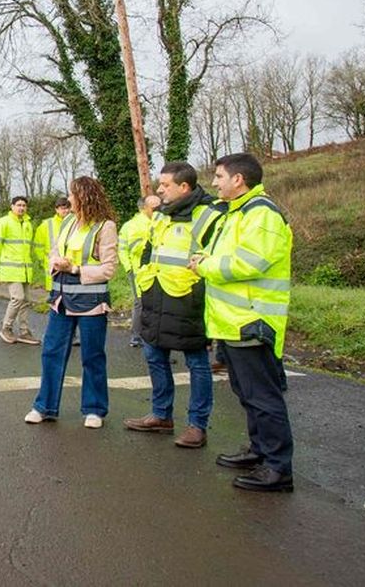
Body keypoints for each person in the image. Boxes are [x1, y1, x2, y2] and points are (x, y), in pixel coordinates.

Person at [190, 153, 295, 492]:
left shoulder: (261, 214)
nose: (215, 182)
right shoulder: (236, 213)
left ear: (238, 179)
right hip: (233, 323)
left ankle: (278, 468)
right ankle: (260, 450)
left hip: (253, 322)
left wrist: (204, 264)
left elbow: (248, 264)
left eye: (219, 176)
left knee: (263, 397)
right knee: (246, 394)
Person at [123, 162, 225, 448]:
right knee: (154, 356)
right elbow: (149, 252)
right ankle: (160, 415)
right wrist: (144, 281)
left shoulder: (209, 216)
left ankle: (197, 426)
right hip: (156, 296)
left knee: (197, 363)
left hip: (189, 299)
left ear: (184, 187)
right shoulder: (161, 216)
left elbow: (214, 260)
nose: (159, 190)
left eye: (165, 185)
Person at [25, 176, 118, 429]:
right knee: (52, 352)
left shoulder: (105, 226)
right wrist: (55, 261)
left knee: (92, 356)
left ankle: (94, 409)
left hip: (91, 301)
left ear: (85, 197)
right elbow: (54, 250)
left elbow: (109, 269)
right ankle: (44, 406)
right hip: (62, 299)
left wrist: (75, 268)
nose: (69, 200)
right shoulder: (67, 222)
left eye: (73, 195)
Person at [0, 196, 38, 345]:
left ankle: (24, 332)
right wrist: (0, 258)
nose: (21, 208)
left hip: (24, 269)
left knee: (26, 300)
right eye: (18, 205)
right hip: (10, 268)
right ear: (12, 206)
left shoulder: (28, 224)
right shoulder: (4, 222)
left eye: (24, 205)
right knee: (17, 298)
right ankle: (6, 328)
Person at [119, 195, 161, 348]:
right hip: (141, 269)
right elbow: (123, 248)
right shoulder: (140, 225)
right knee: (142, 303)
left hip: (146, 269)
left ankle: (141, 335)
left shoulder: (130, 225)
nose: (158, 210)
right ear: (144, 208)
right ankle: (138, 336)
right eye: (154, 207)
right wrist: (130, 268)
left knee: (144, 303)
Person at [33, 197, 71, 292]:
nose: (66, 211)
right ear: (56, 209)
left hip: (69, 262)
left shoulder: (75, 222)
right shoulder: (46, 224)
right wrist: (42, 260)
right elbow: (38, 245)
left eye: (67, 208)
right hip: (52, 263)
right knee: (54, 294)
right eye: (62, 208)